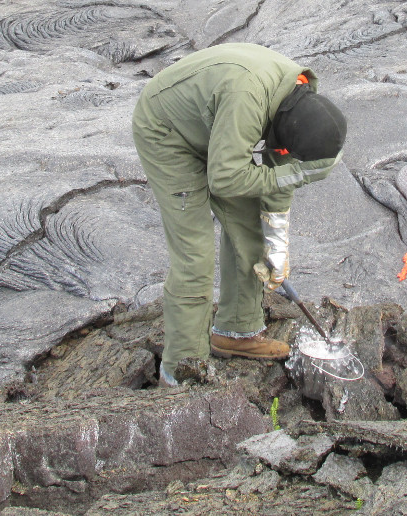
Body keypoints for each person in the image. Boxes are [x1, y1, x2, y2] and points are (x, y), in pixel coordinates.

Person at [132, 43, 347, 387]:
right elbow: (225, 177)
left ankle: (236, 330)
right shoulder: (250, 97)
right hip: (168, 131)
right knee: (195, 256)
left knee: (249, 229)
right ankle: (181, 374)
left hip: (220, 128)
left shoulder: (299, 101)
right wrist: (299, 173)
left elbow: (279, 174)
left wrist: (276, 245)